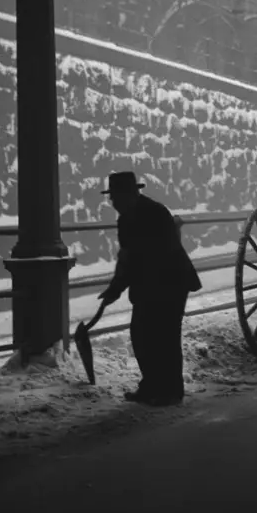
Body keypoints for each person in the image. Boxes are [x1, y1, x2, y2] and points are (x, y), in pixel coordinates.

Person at [98, 170, 202, 406]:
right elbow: (126, 257)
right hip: (149, 284)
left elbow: (155, 254)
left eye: (115, 197)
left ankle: (170, 391)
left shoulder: (155, 213)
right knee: (143, 335)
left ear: (129, 195)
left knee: (164, 337)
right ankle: (152, 386)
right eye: (111, 198)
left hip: (171, 282)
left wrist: (125, 284)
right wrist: (115, 287)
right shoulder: (126, 219)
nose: (112, 202)